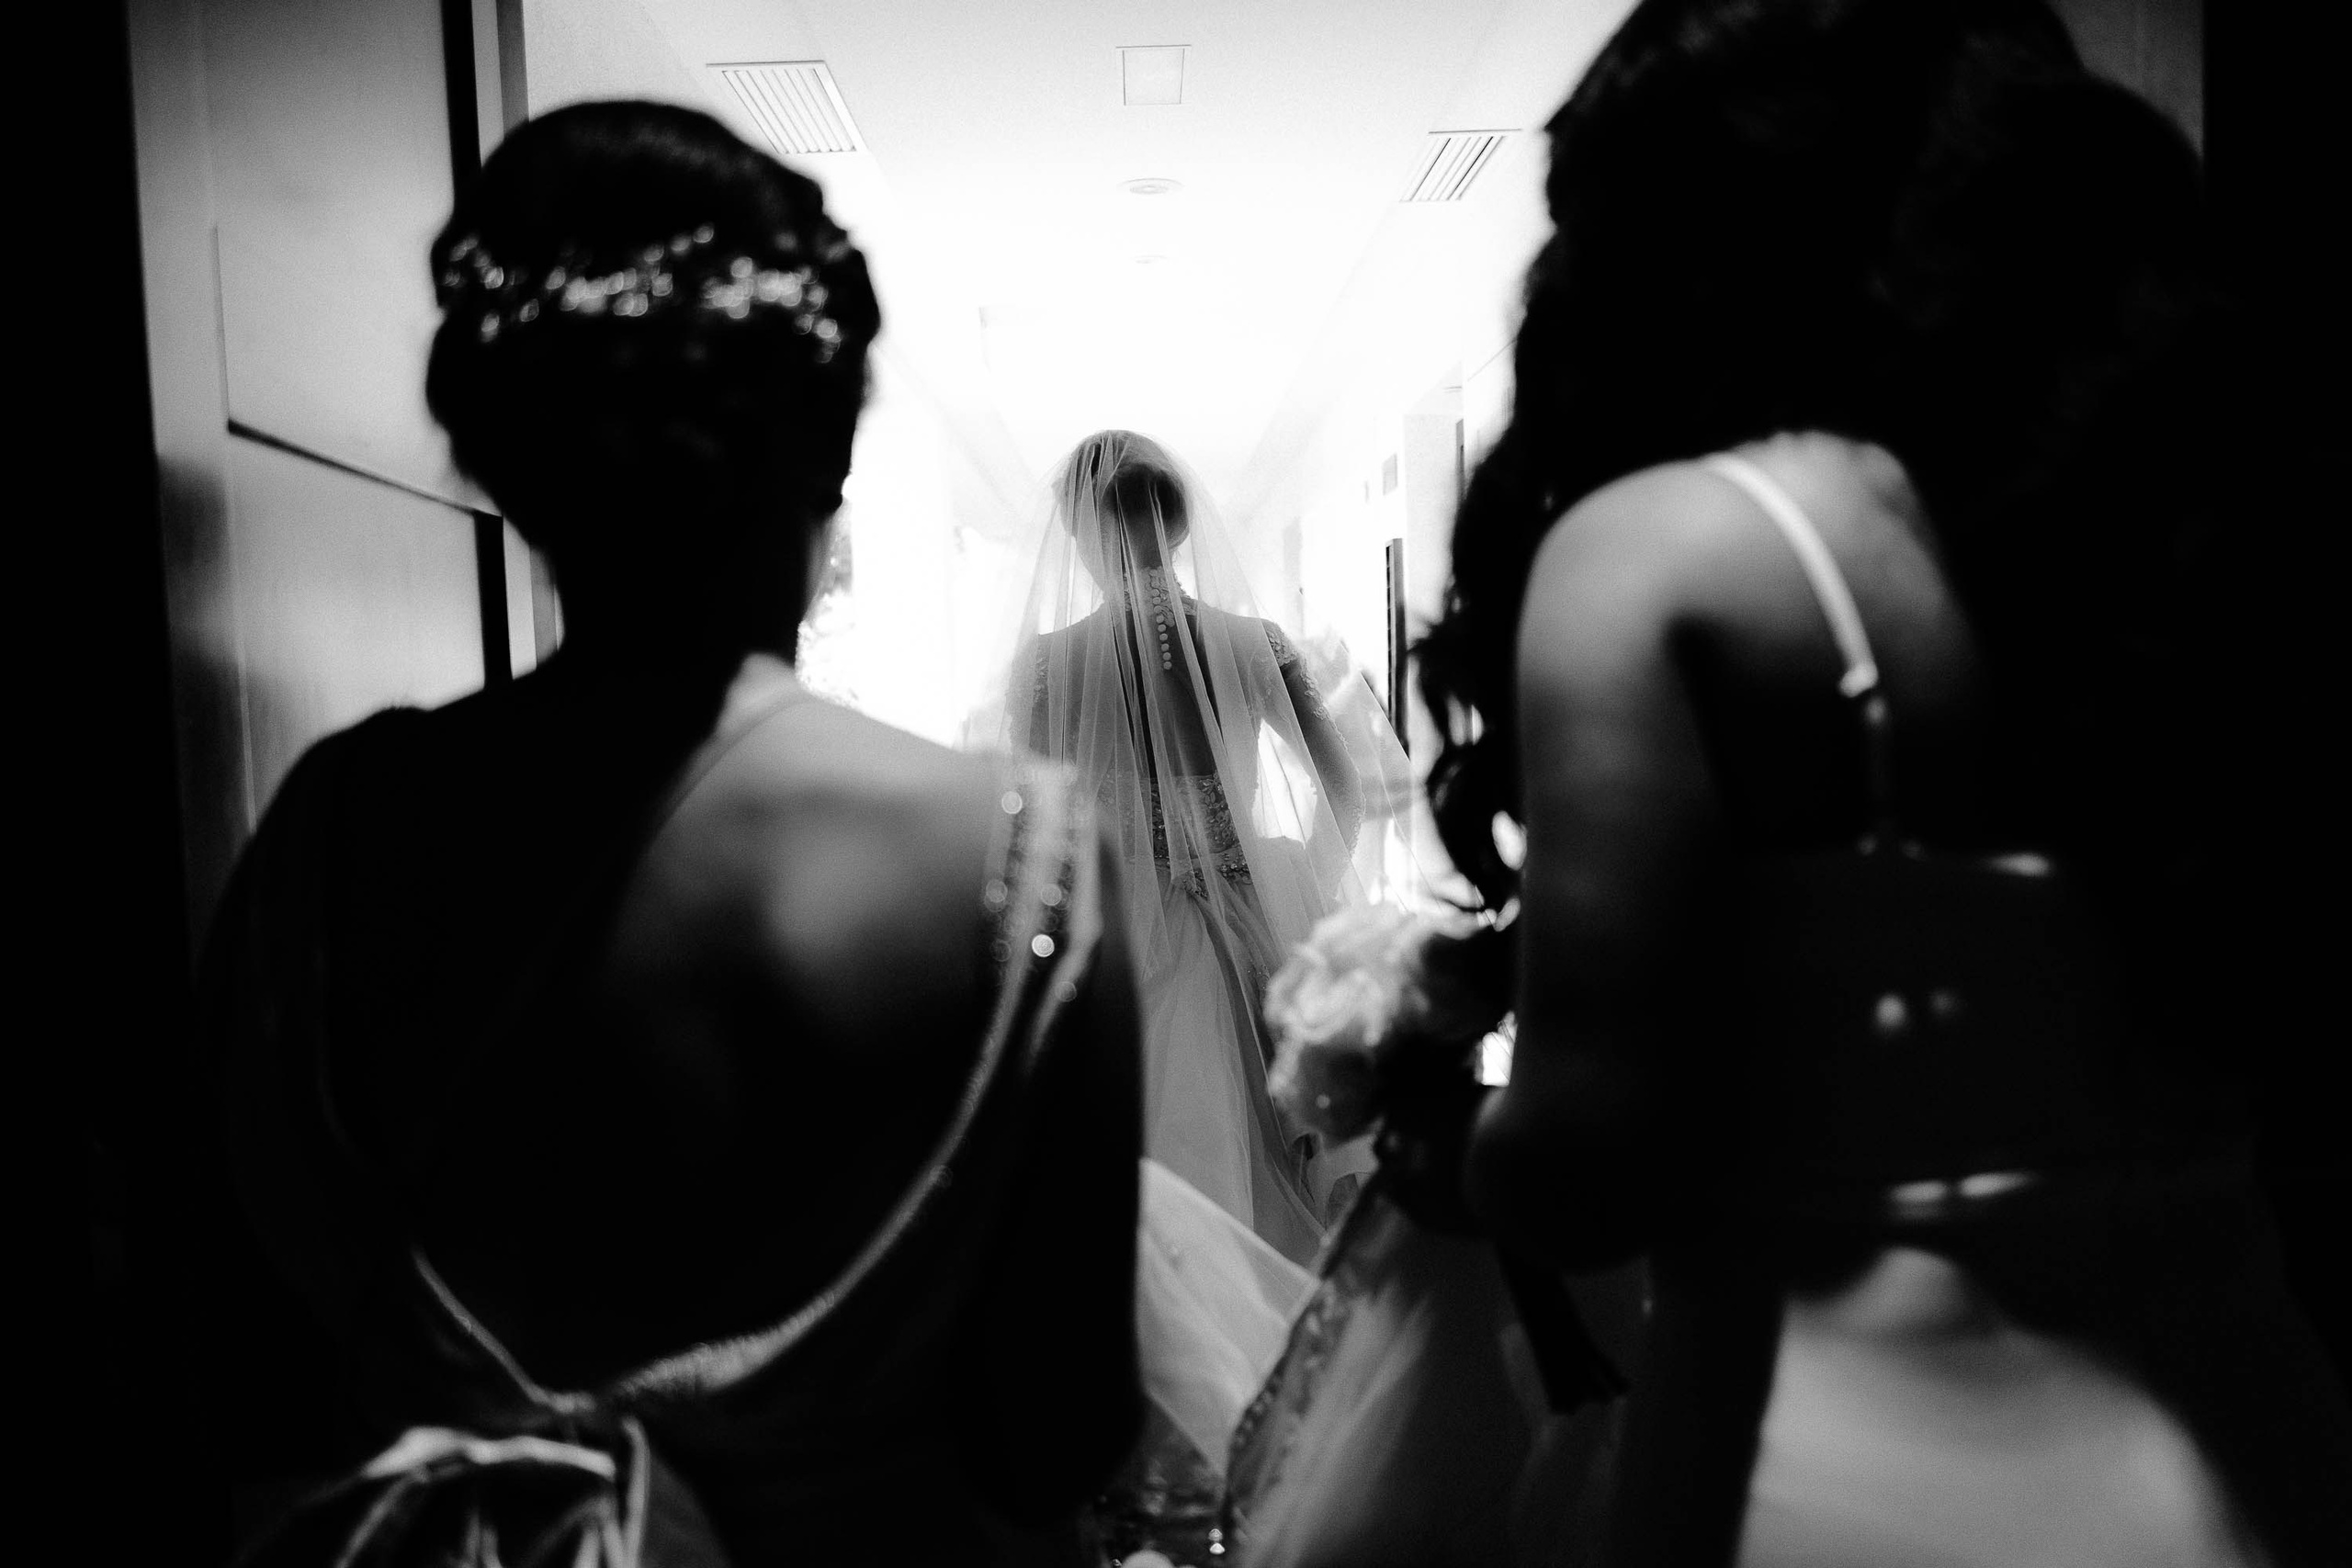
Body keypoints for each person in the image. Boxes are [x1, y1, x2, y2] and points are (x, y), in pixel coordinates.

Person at [1401, 1, 2352, 1563]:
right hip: (2257, 1432)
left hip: (1846, 1479)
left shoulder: (1677, 552)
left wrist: (1449, 1131)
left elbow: (1588, 1173)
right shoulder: (2210, 518)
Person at [198, 101, 1144, 1568]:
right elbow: (1055, 1430)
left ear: (501, 462)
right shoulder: (1011, 850)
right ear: (825, 459)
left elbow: (238, 1351)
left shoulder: (331, 829)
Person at [989, 430, 1396, 1266]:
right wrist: (1294, 888)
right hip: (1254, 925)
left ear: (1079, 535)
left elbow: (1026, 827)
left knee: (1149, 1193)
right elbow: (1346, 789)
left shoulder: (1048, 665)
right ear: (1179, 526)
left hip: (1118, 942)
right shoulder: (1255, 642)